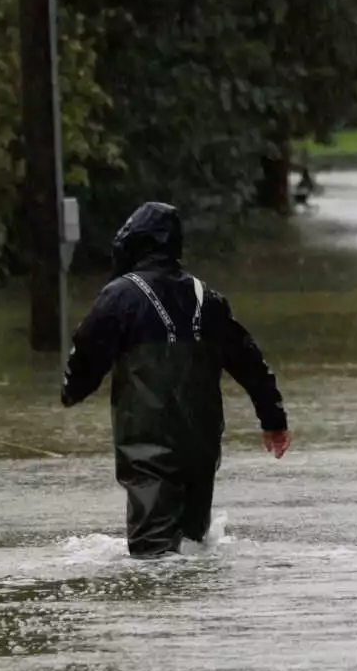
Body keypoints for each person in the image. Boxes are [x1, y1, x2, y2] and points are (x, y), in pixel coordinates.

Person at [61, 202, 290, 557]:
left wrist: (72, 391)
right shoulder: (208, 299)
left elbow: (87, 353)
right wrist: (273, 419)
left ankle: (163, 612)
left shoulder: (120, 297)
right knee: (194, 546)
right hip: (201, 447)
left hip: (149, 449)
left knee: (152, 557)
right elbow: (249, 361)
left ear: (134, 245)